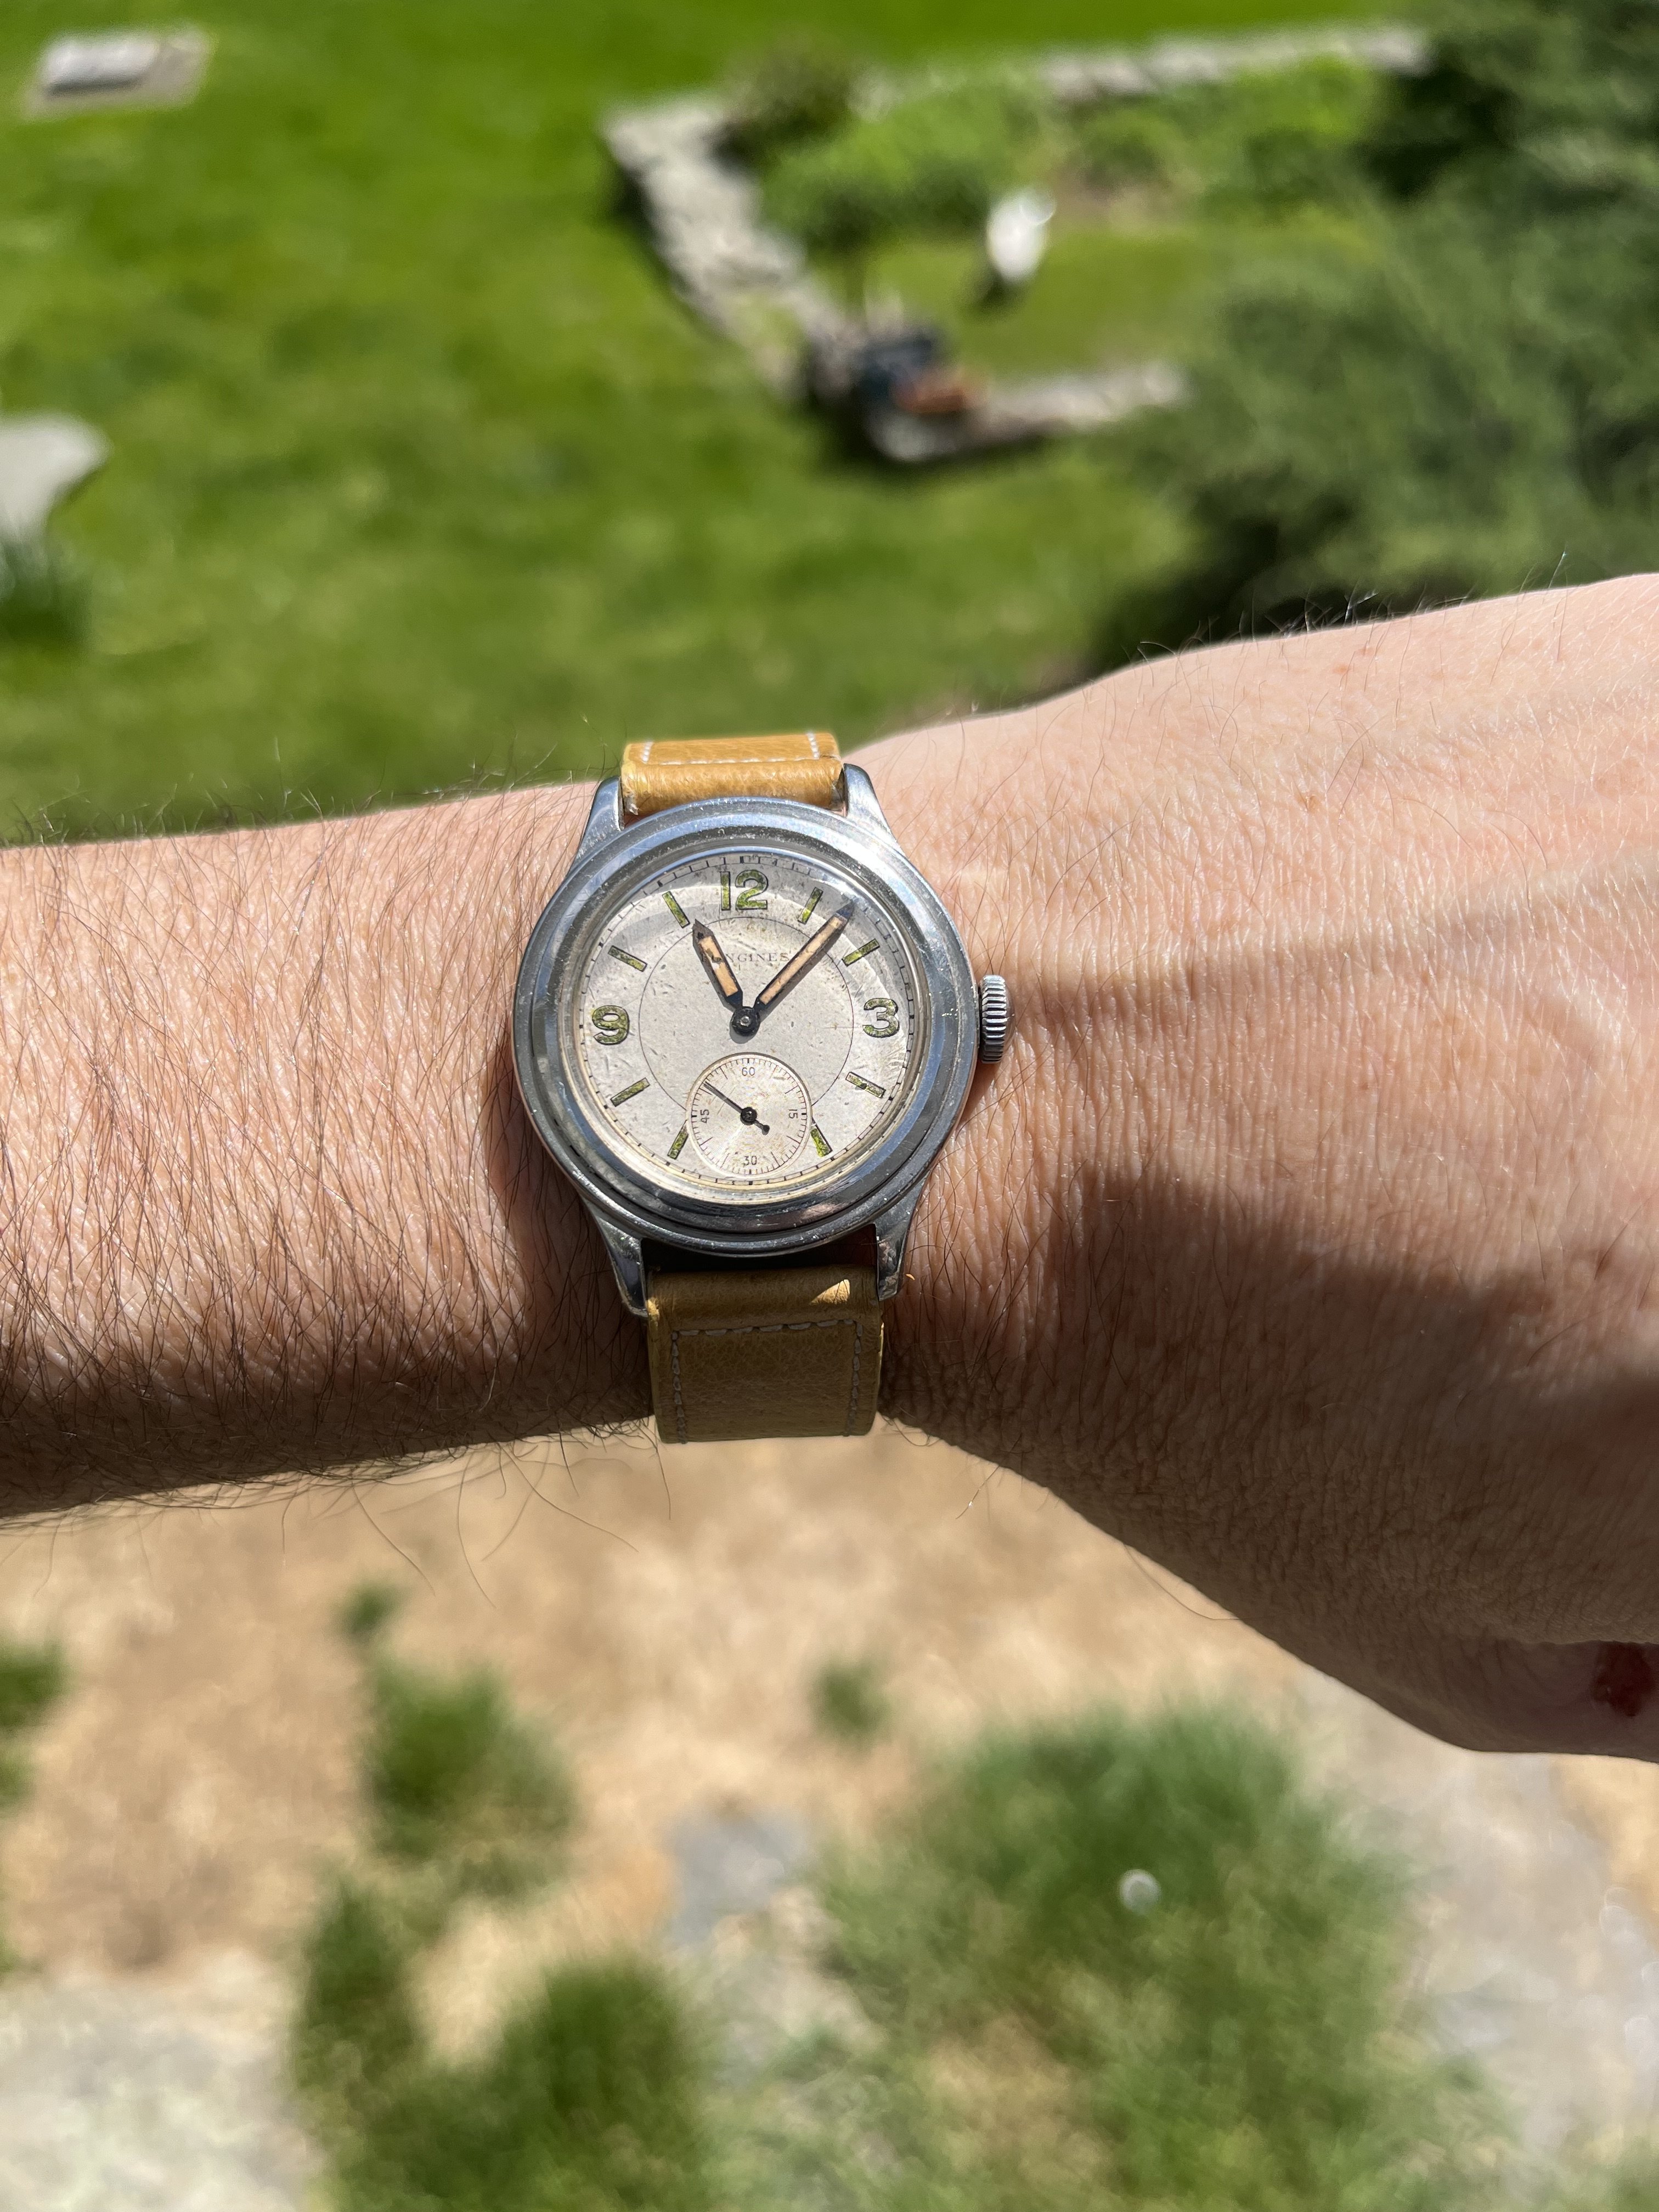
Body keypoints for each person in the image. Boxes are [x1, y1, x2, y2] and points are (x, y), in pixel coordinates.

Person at [5, 576, 1659, 1762]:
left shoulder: (909, 1021)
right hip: (660, 1193)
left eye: (777, 996)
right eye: (733, 998)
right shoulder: (635, 1048)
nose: (744, 1021)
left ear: (966, 1018)